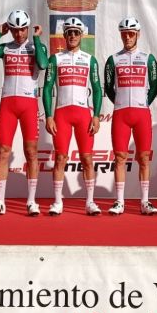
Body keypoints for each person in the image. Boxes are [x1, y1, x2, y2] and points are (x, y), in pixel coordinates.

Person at [0, 10, 48, 216]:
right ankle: (0, 201)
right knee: (2, 152)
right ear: (10, 29)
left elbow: (43, 64)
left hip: (28, 104)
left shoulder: (36, 47)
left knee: (31, 152)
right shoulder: (5, 48)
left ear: (28, 28)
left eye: (22, 30)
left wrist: (36, 39)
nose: (19, 34)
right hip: (8, 104)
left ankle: (31, 201)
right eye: (15, 30)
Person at [43, 17, 103, 216]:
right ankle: (57, 202)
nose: (73, 36)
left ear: (81, 35)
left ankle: (90, 202)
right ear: (65, 35)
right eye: (69, 32)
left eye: (76, 32)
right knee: (60, 157)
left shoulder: (90, 59)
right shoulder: (55, 59)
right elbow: (47, 88)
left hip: (83, 114)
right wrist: (49, 116)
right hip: (62, 113)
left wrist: (96, 116)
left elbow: (97, 89)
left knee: (87, 158)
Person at [104, 16, 157, 216]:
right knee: (120, 157)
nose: (127, 37)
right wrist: (120, 101)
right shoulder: (113, 60)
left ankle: (145, 202)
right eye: (124, 34)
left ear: (138, 34)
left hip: (141, 113)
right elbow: (108, 88)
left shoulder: (148, 59)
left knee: (143, 157)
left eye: (131, 34)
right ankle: (119, 202)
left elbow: (154, 87)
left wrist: (142, 103)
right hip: (121, 114)